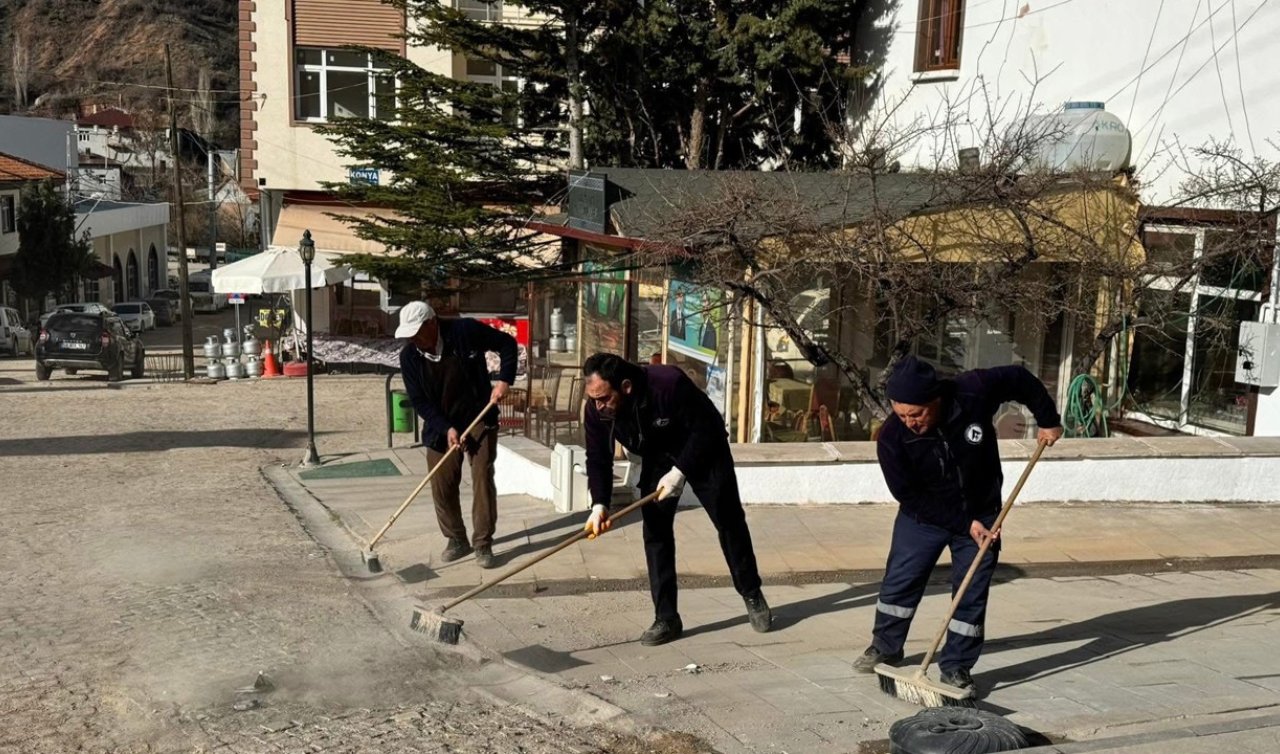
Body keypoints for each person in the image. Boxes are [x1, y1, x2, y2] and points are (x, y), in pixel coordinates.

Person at [852, 355, 1063, 691]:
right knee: (900, 582)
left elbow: (1019, 378)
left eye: (917, 413)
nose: (910, 422)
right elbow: (908, 494)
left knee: (971, 591)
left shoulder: (973, 392)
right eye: (901, 413)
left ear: (935, 399)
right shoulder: (892, 437)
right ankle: (886, 646)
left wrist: (1048, 419)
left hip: (983, 511)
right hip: (923, 516)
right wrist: (964, 523)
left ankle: (957, 666)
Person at [580, 352, 772, 646]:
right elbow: (597, 457)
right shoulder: (597, 410)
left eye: (604, 398)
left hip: (703, 447)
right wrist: (599, 504)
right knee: (655, 532)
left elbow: (706, 428)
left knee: (728, 520)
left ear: (627, 387)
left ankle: (751, 592)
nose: (598, 406)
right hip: (657, 457)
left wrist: (680, 472)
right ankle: (667, 618)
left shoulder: (668, 384)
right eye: (593, 398)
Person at [397, 301, 517, 569]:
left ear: (432, 322)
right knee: (441, 483)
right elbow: (419, 401)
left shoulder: (464, 331)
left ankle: (483, 543)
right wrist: (446, 428)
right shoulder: (410, 357)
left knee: (482, 477)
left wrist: (504, 380)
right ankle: (456, 538)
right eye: (410, 335)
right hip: (441, 423)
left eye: (418, 332)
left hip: (478, 414)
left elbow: (507, 344)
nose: (415, 340)